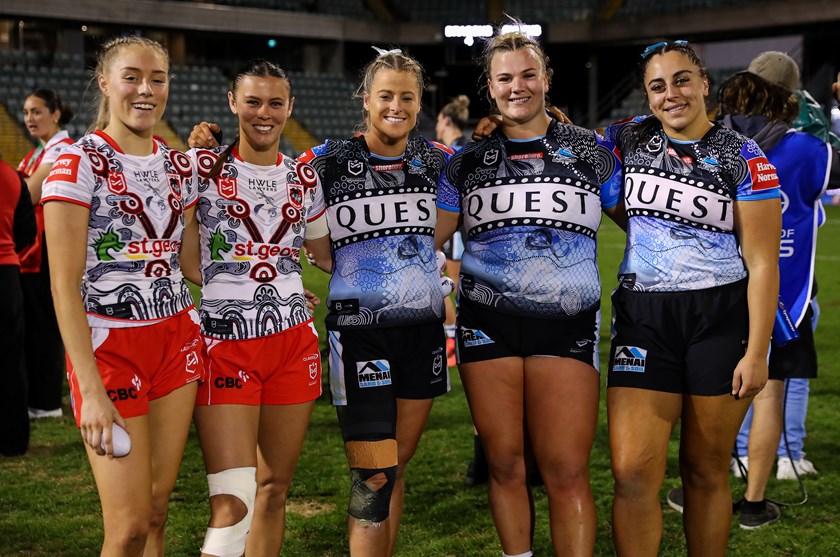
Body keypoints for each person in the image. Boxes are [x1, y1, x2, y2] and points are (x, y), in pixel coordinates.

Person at [436, 31, 622, 557]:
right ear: (490, 88)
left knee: (565, 470)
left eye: (527, 74)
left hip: (566, 322)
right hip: (485, 322)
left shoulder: (591, 150)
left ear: (545, 79)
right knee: (505, 464)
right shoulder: (465, 163)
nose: (517, 86)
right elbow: (428, 241)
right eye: (504, 78)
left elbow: (644, 225)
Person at [604, 40, 781, 556]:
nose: (671, 94)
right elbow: (556, 137)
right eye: (658, 86)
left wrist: (757, 352)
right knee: (633, 471)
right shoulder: (627, 138)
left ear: (704, 84)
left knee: (704, 470)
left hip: (719, 320)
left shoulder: (745, 157)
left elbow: (764, 262)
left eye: (682, 80)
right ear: (646, 95)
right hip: (644, 319)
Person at [41, 36, 203, 555]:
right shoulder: (77, 162)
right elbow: (62, 284)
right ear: (105, 82)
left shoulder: (180, 168)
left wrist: (278, 281)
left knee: (157, 511)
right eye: (132, 76)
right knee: (129, 525)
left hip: (177, 341)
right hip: (111, 348)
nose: (146, 89)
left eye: (157, 79)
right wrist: (89, 388)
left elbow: (189, 263)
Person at [298, 47, 453, 557]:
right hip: (358, 335)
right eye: (385, 95)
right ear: (365, 100)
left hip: (423, 332)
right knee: (373, 476)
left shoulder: (440, 161)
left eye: (407, 96)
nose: (396, 105)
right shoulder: (327, 160)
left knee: (396, 465)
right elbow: (268, 180)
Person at [180, 58, 331, 557]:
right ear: (232, 103)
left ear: (290, 107)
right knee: (234, 498)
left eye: (273, 103)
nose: (262, 113)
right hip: (226, 345)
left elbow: (323, 255)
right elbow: (186, 259)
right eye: (252, 101)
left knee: (273, 490)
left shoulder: (305, 179)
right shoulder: (203, 169)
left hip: (293, 346)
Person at [716, 64, 839, 528]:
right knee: (771, 393)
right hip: (788, 297)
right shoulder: (806, 148)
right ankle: (754, 500)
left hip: (714, 294)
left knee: (707, 394)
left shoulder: (711, 146)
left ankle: (702, 484)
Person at [17, 88, 74, 419]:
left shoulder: (62, 150)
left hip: (48, 250)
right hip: (32, 250)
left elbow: (27, 194)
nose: (29, 119)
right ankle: (39, 397)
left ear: (55, 113)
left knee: (45, 326)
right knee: (34, 325)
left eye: (37, 111)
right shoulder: (40, 152)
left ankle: (47, 401)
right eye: (25, 112)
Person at [0, 160, 36, 456]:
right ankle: (14, 440)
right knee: (11, 360)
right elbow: (28, 232)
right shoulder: (12, 176)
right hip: (7, 277)